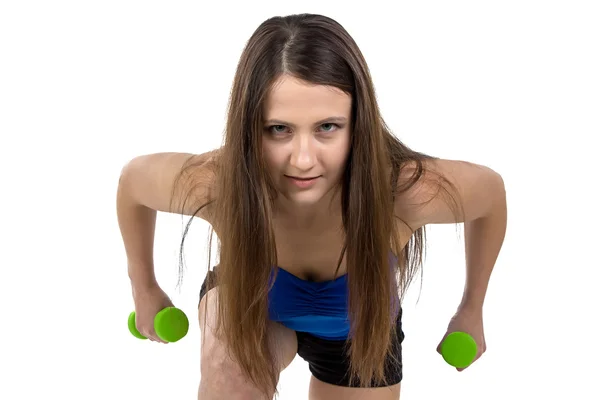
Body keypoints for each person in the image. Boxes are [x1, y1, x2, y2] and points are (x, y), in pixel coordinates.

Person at [116, 13, 507, 400]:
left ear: (358, 123)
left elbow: (490, 196)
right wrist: (144, 287)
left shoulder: (404, 193)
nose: (303, 159)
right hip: (252, 303)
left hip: (358, 328)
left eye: (327, 127)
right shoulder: (217, 183)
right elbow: (133, 183)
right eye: (279, 129)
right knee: (229, 382)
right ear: (250, 127)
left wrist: (471, 308)